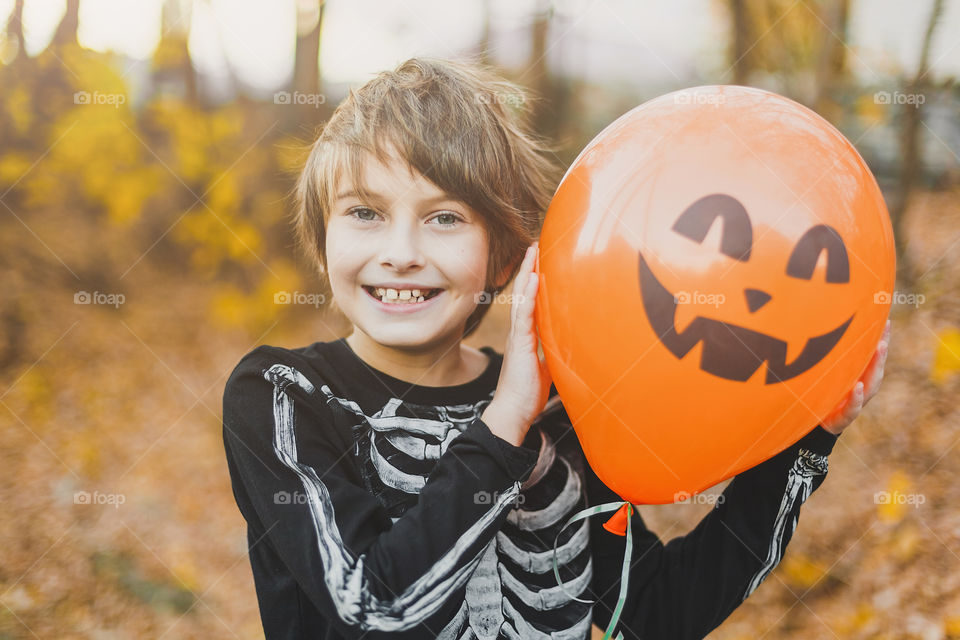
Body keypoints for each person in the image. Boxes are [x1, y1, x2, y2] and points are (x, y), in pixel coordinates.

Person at [221, 57, 889, 640]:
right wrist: (504, 422)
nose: (400, 254)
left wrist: (805, 448)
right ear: (322, 236)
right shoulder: (284, 394)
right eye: (364, 213)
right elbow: (366, 608)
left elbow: (657, 614)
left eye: (445, 218)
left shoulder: (561, 413)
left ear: (508, 258)